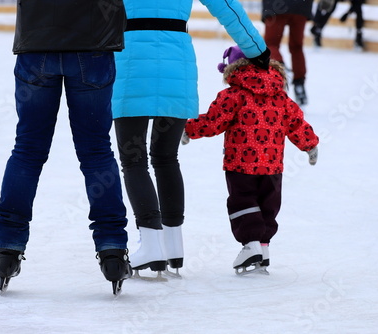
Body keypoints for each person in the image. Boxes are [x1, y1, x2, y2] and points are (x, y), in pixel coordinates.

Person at [112, 0, 271, 278]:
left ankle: (151, 244)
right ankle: (173, 246)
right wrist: (257, 50)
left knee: (134, 161)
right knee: (166, 158)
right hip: (177, 67)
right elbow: (227, 7)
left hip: (130, 64)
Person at [0, 0, 132, 295]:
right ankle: (112, 250)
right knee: (96, 151)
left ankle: (7, 247)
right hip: (93, 45)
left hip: (38, 43)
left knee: (28, 149)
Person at [182, 46, 319, 275]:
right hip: (273, 166)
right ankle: (263, 248)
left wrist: (188, 129)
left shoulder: (234, 95)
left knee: (243, 202)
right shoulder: (281, 97)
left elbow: (215, 121)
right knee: (268, 205)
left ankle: (251, 244)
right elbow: (297, 124)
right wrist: (310, 144)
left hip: (240, 164)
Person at [262, 0, 313, 106]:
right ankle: (299, 84)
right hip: (301, 6)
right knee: (297, 47)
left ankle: (279, 66)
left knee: (271, 44)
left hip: (275, 6)